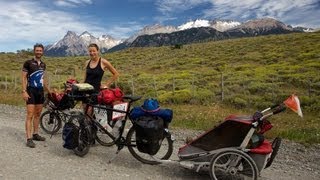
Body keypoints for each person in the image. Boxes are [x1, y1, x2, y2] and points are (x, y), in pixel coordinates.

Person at [22, 43, 51, 148]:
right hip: (30, 91)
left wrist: (49, 91)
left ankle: (35, 134)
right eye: (37, 50)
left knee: (38, 114)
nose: (39, 52)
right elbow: (24, 78)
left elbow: (42, 79)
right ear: (34, 51)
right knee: (30, 115)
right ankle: (28, 138)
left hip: (40, 92)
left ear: (42, 52)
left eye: (40, 50)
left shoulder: (43, 64)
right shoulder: (28, 63)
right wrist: (24, 91)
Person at [83, 43, 119, 113]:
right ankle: (86, 123)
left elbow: (116, 74)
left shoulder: (103, 62)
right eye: (90, 51)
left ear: (98, 51)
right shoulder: (87, 62)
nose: (92, 53)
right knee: (85, 109)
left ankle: (91, 123)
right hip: (85, 90)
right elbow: (85, 77)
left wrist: (106, 84)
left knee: (90, 111)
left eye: (94, 51)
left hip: (95, 91)